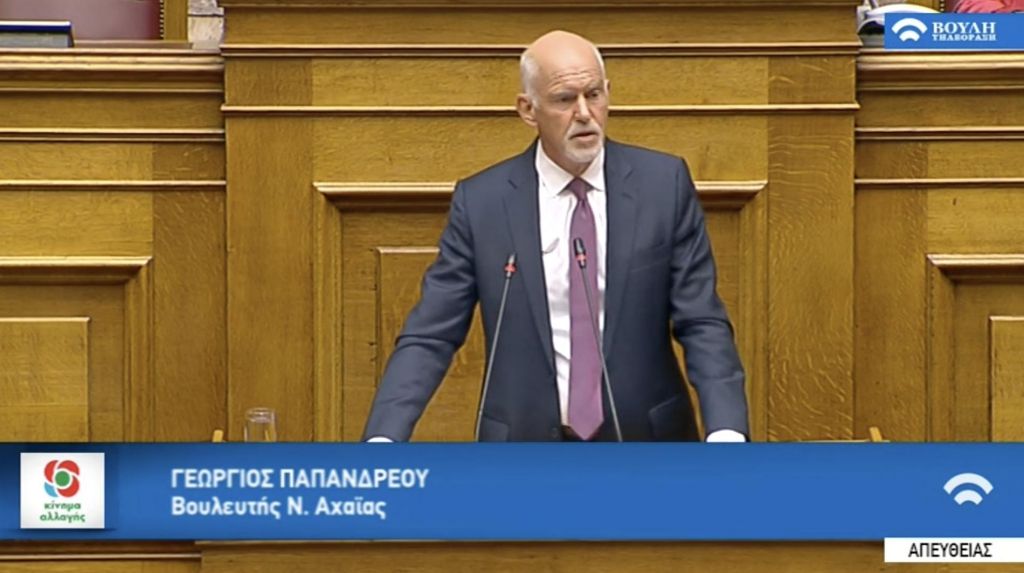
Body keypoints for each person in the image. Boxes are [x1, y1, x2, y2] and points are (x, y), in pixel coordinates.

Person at [363, 31, 748, 442]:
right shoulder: (483, 202)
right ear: (528, 110)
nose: (584, 113)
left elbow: (702, 320)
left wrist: (727, 431)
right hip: (524, 447)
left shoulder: (662, 185)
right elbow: (432, 332)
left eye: (594, 95)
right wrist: (384, 438)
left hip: (647, 442)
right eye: (565, 99)